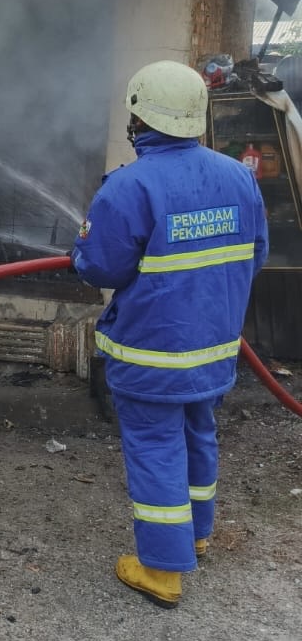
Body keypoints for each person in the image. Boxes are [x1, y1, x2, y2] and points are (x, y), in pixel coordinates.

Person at [72, 60, 268, 607]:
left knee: (155, 447)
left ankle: (161, 569)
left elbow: (101, 268)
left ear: (139, 117)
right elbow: (255, 257)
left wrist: (79, 251)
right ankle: (196, 536)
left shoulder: (129, 185)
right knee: (197, 435)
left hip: (150, 354)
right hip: (213, 352)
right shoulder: (238, 177)